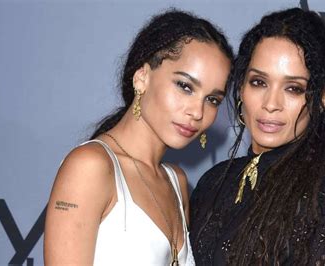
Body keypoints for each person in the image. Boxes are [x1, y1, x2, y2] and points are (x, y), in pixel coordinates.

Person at [44, 9, 233, 265]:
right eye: (185, 86)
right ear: (142, 77)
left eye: (212, 100)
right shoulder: (90, 166)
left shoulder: (176, 182)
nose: (197, 111)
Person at [190, 8, 325, 265]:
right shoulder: (214, 182)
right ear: (241, 87)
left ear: (322, 97)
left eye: (293, 88)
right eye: (259, 82)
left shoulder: (324, 212)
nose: (271, 104)